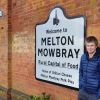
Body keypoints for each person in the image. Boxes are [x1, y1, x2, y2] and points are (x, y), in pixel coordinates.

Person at [78, 36, 100, 100]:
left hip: (94, 94)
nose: (89, 48)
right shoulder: (83, 56)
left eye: (92, 45)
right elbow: (81, 71)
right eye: (88, 45)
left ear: (96, 46)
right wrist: (81, 85)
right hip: (83, 91)